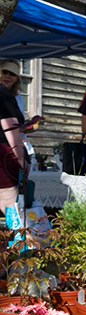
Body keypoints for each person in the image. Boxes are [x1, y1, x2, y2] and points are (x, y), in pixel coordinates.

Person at [0, 59, 26, 214]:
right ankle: (21, 237)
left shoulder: (12, 96)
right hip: (3, 153)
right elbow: (10, 127)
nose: (8, 76)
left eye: (12, 74)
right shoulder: (2, 93)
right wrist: (22, 159)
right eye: (5, 72)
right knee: (9, 206)